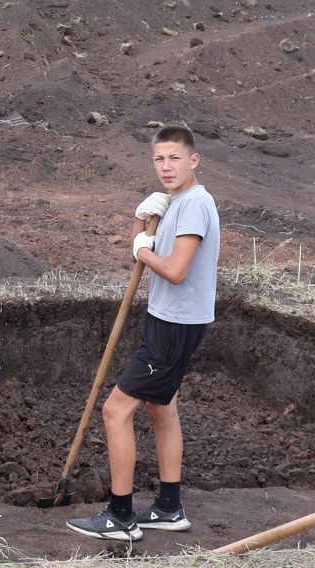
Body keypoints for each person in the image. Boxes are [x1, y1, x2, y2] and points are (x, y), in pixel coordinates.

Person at [68, 123, 221, 542]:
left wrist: (142, 248)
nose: (166, 166)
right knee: (162, 407)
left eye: (175, 158)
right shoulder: (177, 202)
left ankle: (120, 516)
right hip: (170, 319)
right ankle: (169, 508)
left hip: (175, 325)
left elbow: (174, 270)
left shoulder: (193, 205)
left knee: (115, 412)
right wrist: (141, 218)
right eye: (159, 158)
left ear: (194, 160)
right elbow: (148, 248)